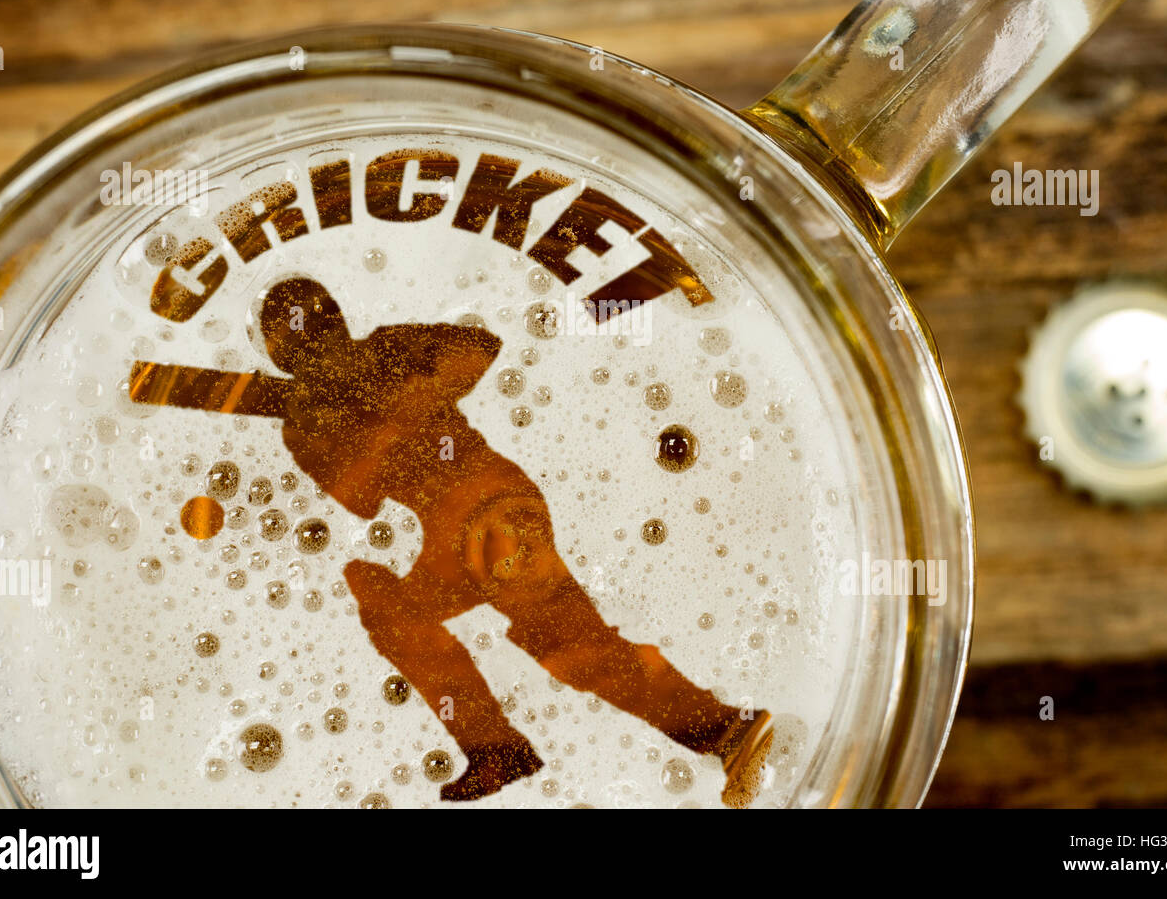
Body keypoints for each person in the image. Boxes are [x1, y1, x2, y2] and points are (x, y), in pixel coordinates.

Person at [130, 277, 772, 805]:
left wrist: (400, 393)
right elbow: (361, 498)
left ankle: (723, 729)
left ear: (334, 322)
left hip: (490, 501)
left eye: (313, 327)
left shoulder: (388, 348)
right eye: (296, 340)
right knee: (381, 597)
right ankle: (495, 745)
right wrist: (331, 416)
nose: (309, 344)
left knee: (569, 643)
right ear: (280, 356)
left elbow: (480, 347)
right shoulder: (302, 424)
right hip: (441, 533)